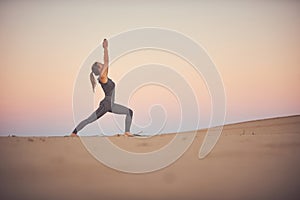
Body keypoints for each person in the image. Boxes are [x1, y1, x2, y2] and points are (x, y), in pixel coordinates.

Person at [70, 39, 133, 137]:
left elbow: (106, 63)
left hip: (111, 105)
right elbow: (107, 61)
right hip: (106, 105)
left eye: (101, 64)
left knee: (129, 112)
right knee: (89, 120)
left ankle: (127, 132)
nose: (102, 64)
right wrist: (105, 48)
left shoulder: (105, 77)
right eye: (100, 65)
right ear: (99, 70)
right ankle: (74, 133)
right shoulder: (103, 78)